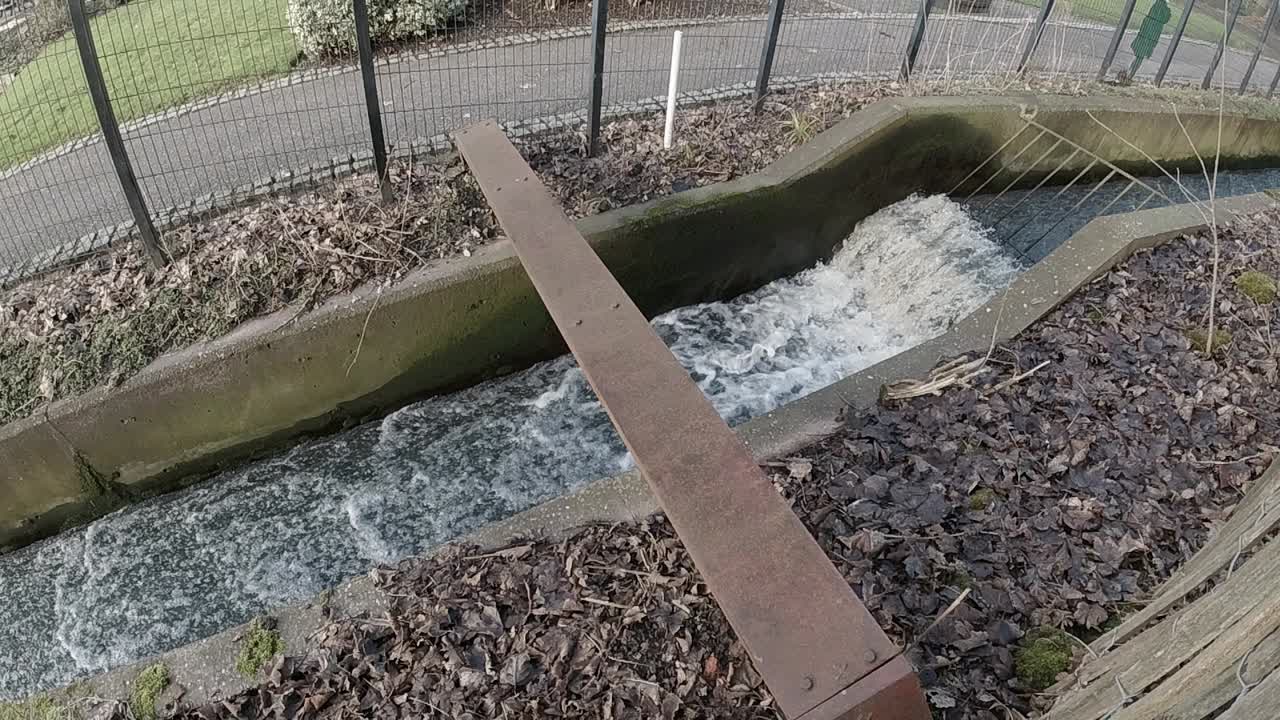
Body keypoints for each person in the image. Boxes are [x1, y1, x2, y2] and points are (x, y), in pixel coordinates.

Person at [1129, 0, 1173, 79]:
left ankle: (1131, 71)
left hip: (1147, 32)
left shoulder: (1156, 6)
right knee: (1140, 55)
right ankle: (1131, 73)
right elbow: (1165, 19)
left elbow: (1149, 18)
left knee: (1139, 55)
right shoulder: (1164, 9)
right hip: (1152, 34)